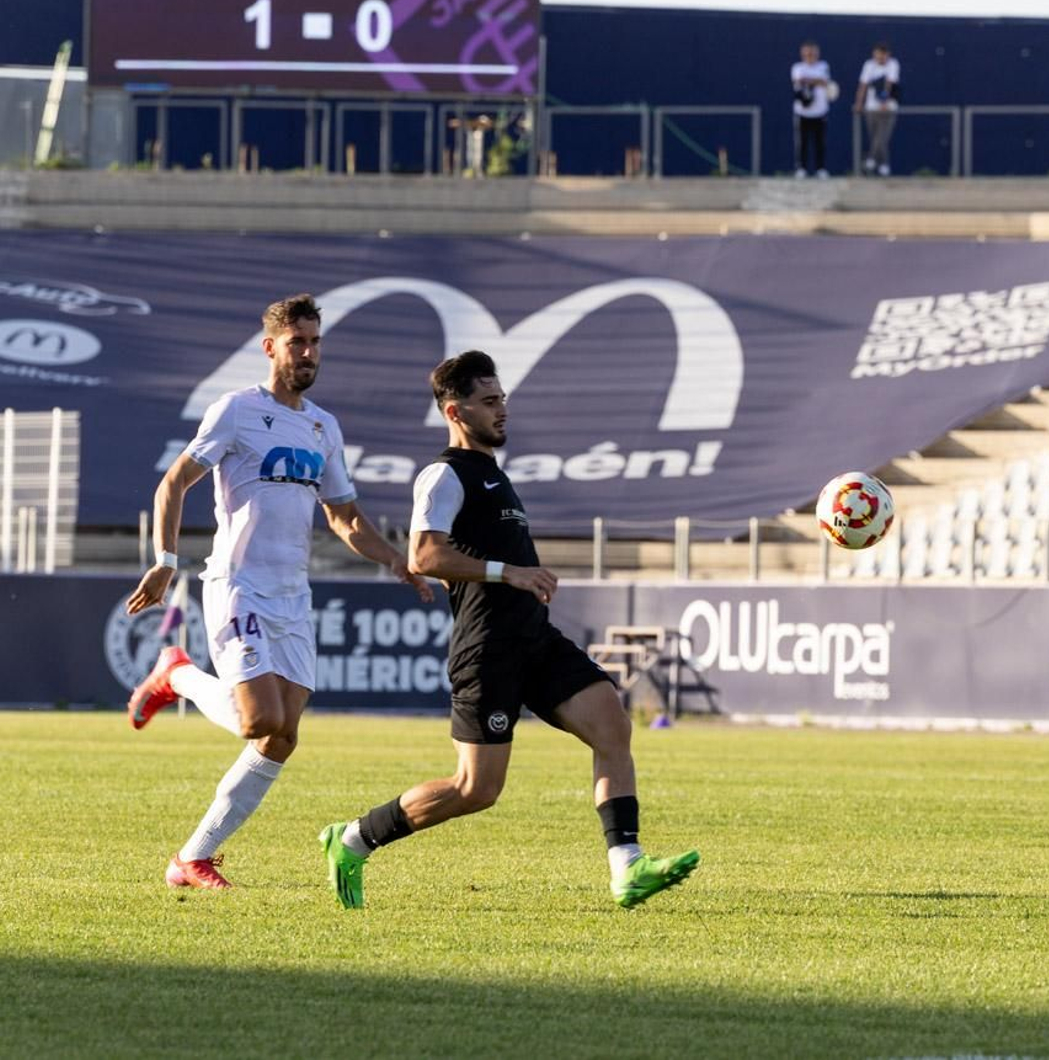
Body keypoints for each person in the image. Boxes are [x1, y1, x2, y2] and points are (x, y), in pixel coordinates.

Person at [318, 350, 700, 910]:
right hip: (487, 648)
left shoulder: (494, 474)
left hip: (535, 638)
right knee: (476, 789)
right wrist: (509, 572)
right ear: (455, 411)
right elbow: (424, 555)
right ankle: (353, 838)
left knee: (612, 726)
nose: (502, 410)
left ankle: (628, 866)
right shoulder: (444, 474)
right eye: (489, 401)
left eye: (503, 399)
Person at [124, 293, 432, 889]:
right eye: (297, 343)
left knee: (282, 736)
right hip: (238, 585)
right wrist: (165, 561)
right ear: (271, 348)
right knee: (258, 718)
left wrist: (396, 561)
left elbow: (344, 517)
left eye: (315, 342)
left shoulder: (323, 426)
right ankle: (177, 673)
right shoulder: (237, 410)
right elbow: (174, 483)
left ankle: (192, 858)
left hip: (292, 596)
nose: (308, 353)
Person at [855, 41, 900, 176]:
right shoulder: (869, 65)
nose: (880, 58)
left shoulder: (893, 64)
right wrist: (859, 103)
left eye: (883, 55)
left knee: (882, 137)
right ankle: (883, 165)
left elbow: (889, 83)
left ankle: (871, 160)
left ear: (887, 55)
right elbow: (863, 85)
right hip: (871, 108)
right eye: (878, 55)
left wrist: (884, 102)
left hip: (888, 108)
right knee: (875, 137)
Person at [791, 40, 833, 179]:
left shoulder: (823, 66)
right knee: (802, 142)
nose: (810, 55)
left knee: (820, 142)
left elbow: (825, 82)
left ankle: (820, 168)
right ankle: (801, 168)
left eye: (812, 53)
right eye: (807, 53)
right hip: (802, 111)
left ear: (817, 53)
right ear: (802, 54)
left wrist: (810, 80)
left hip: (820, 111)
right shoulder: (797, 67)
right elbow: (798, 80)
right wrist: (816, 81)